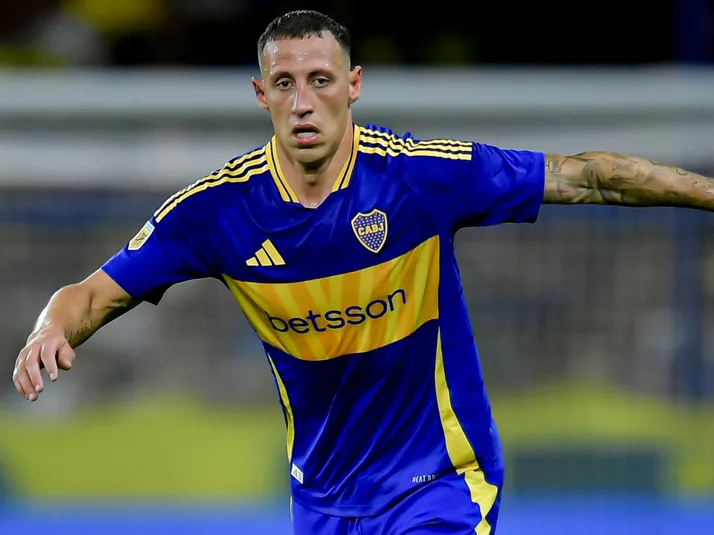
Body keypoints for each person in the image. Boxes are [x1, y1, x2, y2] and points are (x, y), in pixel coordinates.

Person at [11, 9, 714, 535]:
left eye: (320, 81)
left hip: (440, 483)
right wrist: (49, 328)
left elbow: (588, 178)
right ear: (261, 94)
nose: (303, 101)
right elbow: (93, 293)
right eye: (285, 83)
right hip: (323, 500)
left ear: (353, 85)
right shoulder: (217, 212)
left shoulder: (420, 177)